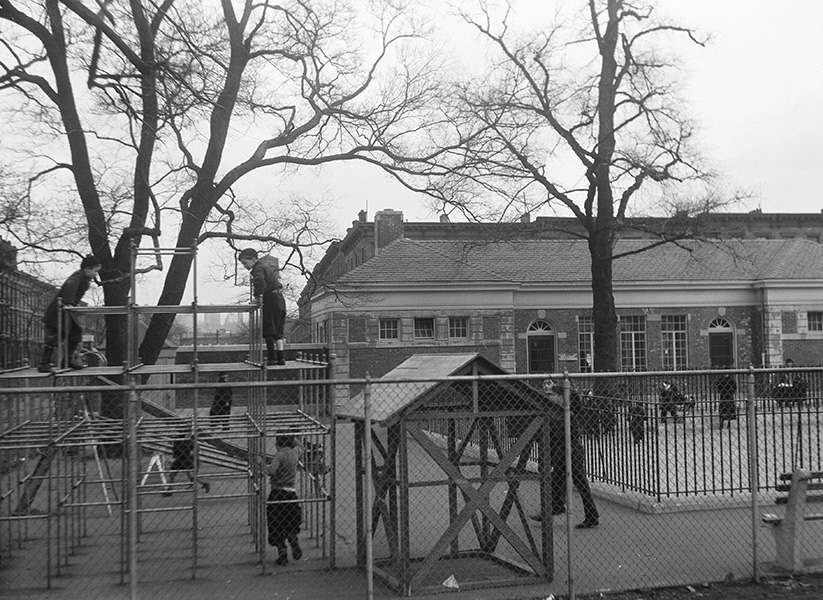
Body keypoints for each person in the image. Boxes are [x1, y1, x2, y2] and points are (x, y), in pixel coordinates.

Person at [532, 380, 599, 529]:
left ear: (560, 396)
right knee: (557, 482)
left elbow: (574, 394)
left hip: (572, 451)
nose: (548, 397)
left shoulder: (569, 409)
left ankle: (591, 515)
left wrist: (556, 387)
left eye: (551, 394)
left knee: (580, 484)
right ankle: (554, 508)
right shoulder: (553, 413)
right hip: (562, 453)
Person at [38, 254, 102, 372]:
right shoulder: (77, 276)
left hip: (68, 310)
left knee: (76, 333)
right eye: (95, 271)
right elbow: (70, 287)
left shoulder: (84, 279)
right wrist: (68, 302)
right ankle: (44, 363)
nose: (96, 274)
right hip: (59, 311)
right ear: (87, 269)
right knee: (53, 336)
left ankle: (66, 361)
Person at [238, 248, 286, 366]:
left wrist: (257, 298)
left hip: (270, 299)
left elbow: (260, 282)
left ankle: (271, 358)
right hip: (279, 298)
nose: (244, 266)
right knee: (278, 330)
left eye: (245, 262)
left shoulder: (258, 269)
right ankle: (281, 358)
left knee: (268, 328)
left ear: (253, 259)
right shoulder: (266, 268)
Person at [260, 434, 303, 565]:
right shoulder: (294, 453)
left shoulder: (279, 455)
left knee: (276, 522)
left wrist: (261, 463)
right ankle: (292, 536)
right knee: (291, 519)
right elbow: (301, 446)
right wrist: (293, 437)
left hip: (277, 493)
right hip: (291, 493)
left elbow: (272, 471)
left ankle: (282, 551)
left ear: (278, 444)